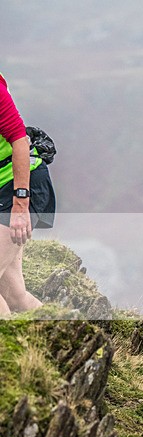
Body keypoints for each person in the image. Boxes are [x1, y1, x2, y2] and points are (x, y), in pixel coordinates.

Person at [0, 71, 56, 316]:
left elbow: (20, 141)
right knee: (14, 295)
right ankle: (75, 345)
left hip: (20, 187)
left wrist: (20, 208)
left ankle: (9, 354)